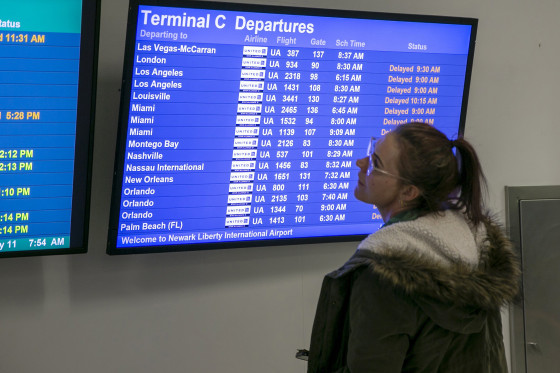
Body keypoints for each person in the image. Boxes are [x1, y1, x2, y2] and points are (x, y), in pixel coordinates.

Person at [306, 122, 520, 372]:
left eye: (376, 163)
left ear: (408, 191)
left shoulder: (385, 274)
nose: (360, 163)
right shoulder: (478, 248)